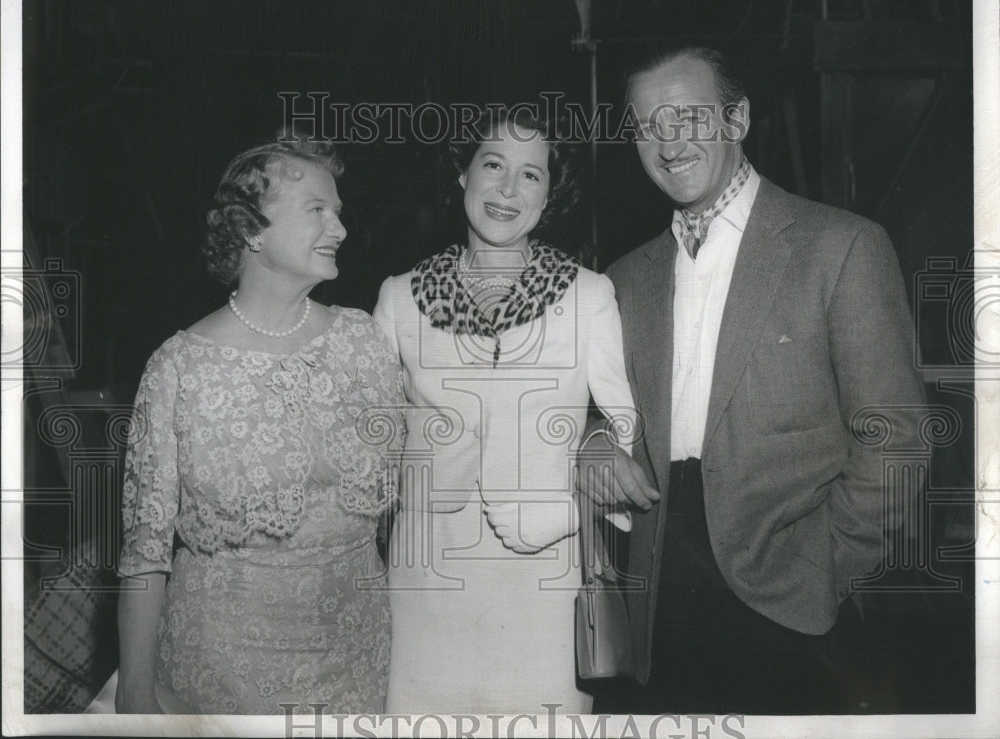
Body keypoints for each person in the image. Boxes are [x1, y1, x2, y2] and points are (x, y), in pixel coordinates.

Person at [578, 45, 927, 714]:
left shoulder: (841, 247)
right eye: (648, 124)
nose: (667, 141)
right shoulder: (623, 277)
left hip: (789, 607)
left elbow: (898, 442)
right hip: (656, 607)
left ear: (737, 119)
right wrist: (594, 442)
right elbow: (607, 411)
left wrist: (824, 569)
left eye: (687, 116)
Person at [115, 134, 406, 714]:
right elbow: (145, 551)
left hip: (358, 664)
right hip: (222, 677)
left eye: (338, 212)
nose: (340, 228)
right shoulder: (180, 366)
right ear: (251, 230)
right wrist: (136, 692)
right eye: (317, 210)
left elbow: (399, 517)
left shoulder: (364, 342)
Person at [373, 107, 636, 714]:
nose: (508, 189)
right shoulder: (397, 299)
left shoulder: (588, 296)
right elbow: (375, 455)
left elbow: (626, 437)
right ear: (463, 174)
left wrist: (568, 489)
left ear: (550, 195)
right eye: (492, 165)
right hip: (426, 592)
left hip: (542, 591)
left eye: (531, 175)